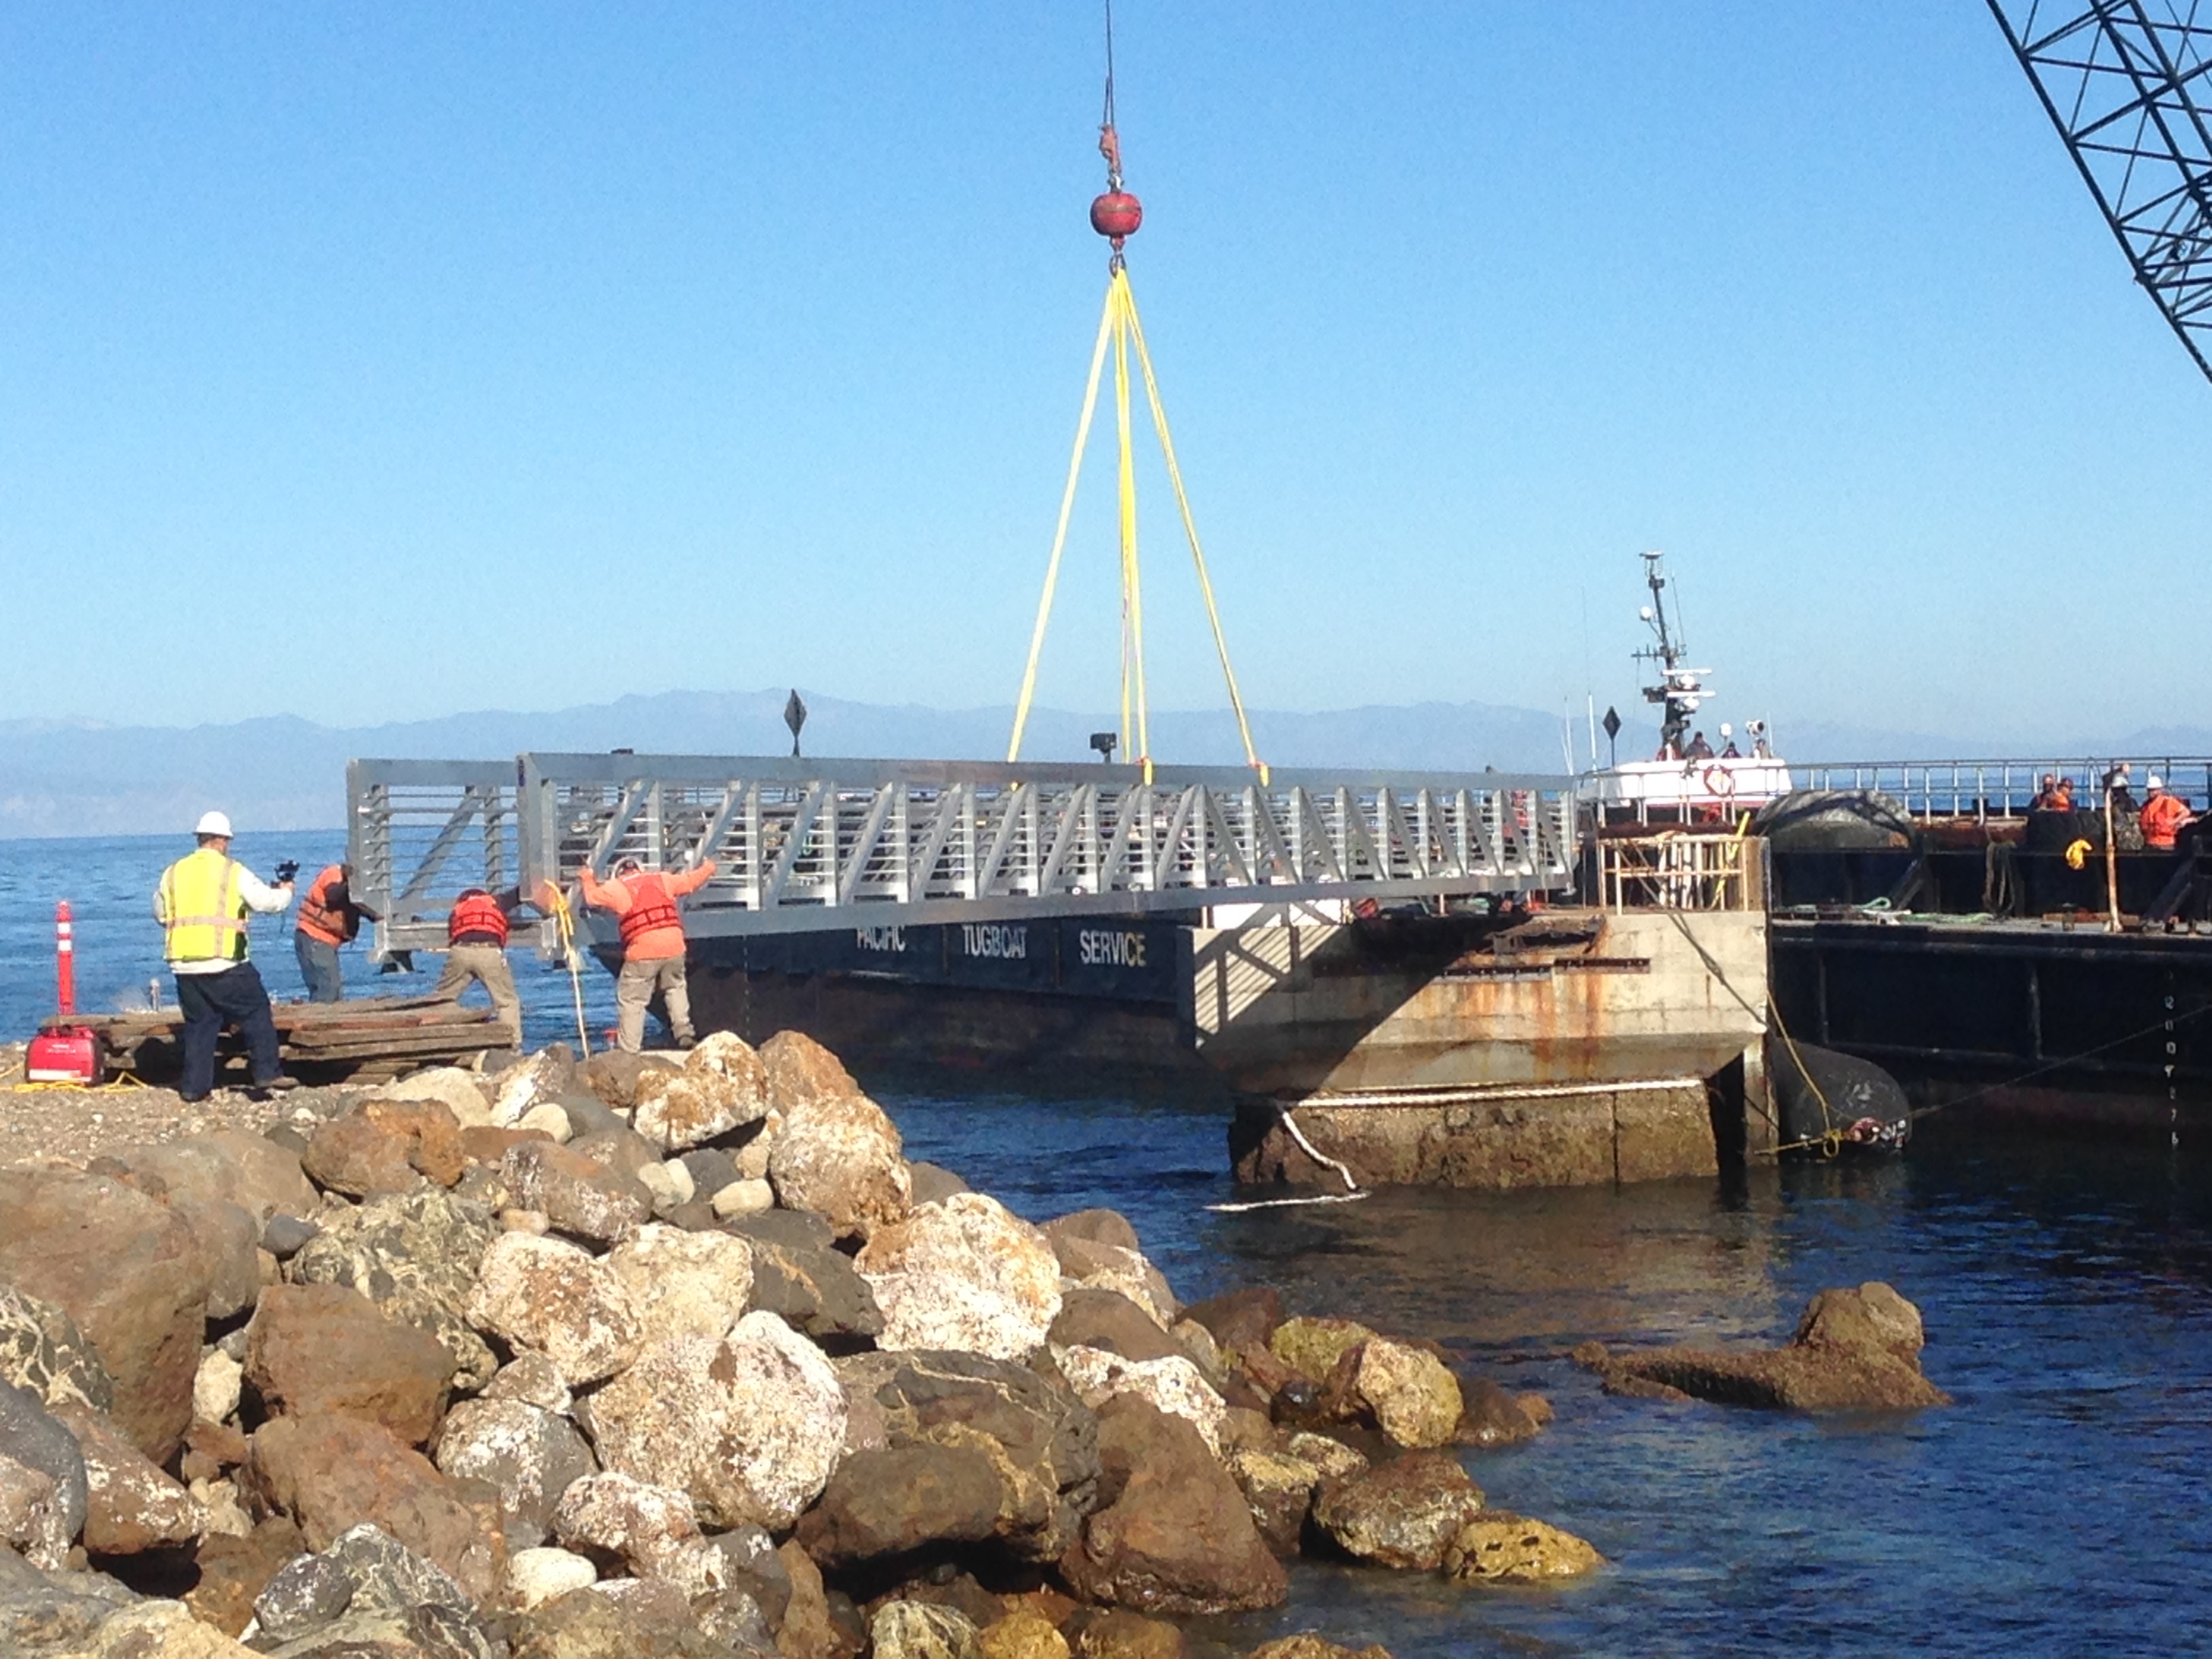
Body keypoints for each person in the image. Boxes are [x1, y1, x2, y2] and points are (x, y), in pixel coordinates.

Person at [153, 811, 296, 1104]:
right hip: (224, 961)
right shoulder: (232, 871)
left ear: (199, 838)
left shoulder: (173, 872)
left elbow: (160, 913)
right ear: (222, 840)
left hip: (184, 964)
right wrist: (286, 892)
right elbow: (266, 902)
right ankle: (267, 1071)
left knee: (200, 1025)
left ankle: (195, 1088)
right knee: (255, 1011)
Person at [580, 855, 718, 1052]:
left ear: (618, 873)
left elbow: (592, 898)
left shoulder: (616, 888)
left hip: (643, 950)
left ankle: (629, 1050)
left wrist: (586, 877)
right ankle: (684, 1033)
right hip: (674, 945)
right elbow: (690, 883)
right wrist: (708, 868)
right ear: (640, 869)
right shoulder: (662, 879)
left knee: (633, 1000)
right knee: (675, 987)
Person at [434, 886, 530, 1044]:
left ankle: (438, 1039)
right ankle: (512, 1044)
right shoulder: (496, 902)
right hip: (489, 952)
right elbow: (520, 893)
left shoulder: (458, 910)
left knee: (441, 998)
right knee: (506, 1001)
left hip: (461, 952)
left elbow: (452, 935)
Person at [293, 862, 380, 1003]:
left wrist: (380, 915)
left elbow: (366, 911)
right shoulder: (334, 874)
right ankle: (320, 1020)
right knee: (328, 988)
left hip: (322, 941)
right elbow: (333, 896)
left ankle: (322, 1016)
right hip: (314, 937)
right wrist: (348, 880)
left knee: (332, 989)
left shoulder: (355, 889)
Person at [2141, 775, 2196, 849]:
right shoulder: (2146, 806)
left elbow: (2186, 812)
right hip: (2150, 843)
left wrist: (2174, 822)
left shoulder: (2169, 802)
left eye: (2153, 790)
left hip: (2166, 844)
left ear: (2159, 790)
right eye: (2149, 790)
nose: (2151, 792)